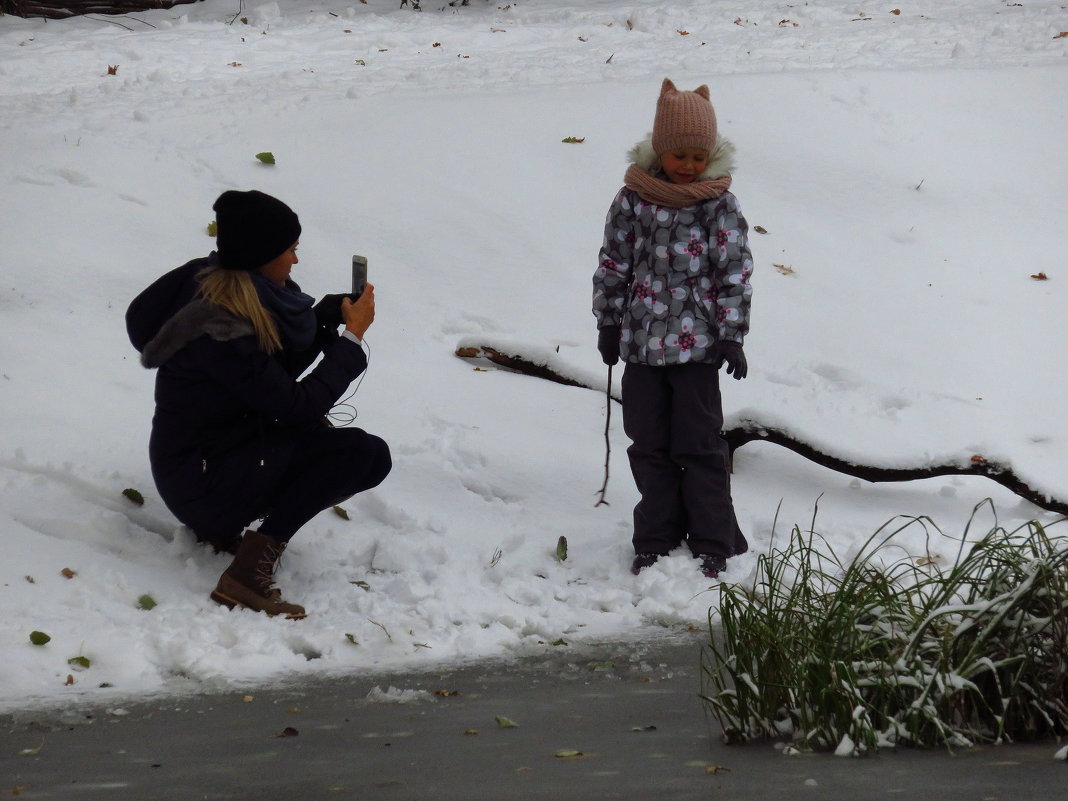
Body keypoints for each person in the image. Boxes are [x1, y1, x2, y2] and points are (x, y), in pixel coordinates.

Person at [126, 189, 391, 618]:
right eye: (291, 250)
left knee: (338, 446)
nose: (296, 261)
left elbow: (265, 378)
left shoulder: (242, 293)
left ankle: (233, 532)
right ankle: (246, 574)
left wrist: (323, 322)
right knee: (363, 454)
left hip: (217, 456)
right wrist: (352, 340)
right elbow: (293, 402)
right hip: (201, 481)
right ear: (263, 254)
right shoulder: (217, 328)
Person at [592, 79, 753, 579]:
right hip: (641, 348)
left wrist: (732, 334)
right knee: (648, 446)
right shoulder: (633, 199)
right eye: (678, 155)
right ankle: (656, 539)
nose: (688, 165)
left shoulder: (717, 205)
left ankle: (713, 540)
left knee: (700, 447)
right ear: (660, 151)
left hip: (698, 352)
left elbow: (734, 270)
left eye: (697, 157)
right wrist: (608, 322)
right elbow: (614, 263)